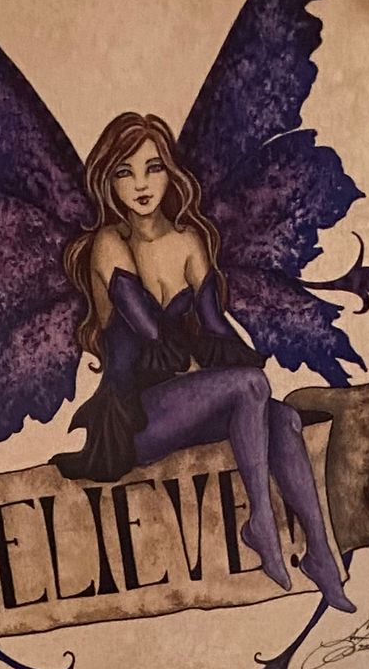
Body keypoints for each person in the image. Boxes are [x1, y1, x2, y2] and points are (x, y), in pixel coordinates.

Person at [54, 111, 353, 612]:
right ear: (108, 182)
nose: (142, 184)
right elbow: (150, 331)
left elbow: (215, 330)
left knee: (282, 417)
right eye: (125, 172)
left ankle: (321, 554)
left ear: (171, 173)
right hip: (136, 418)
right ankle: (262, 521)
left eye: (153, 168)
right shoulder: (110, 244)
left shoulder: (190, 240)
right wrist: (233, 383)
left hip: (190, 405)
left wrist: (236, 376)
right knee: (251, 388)